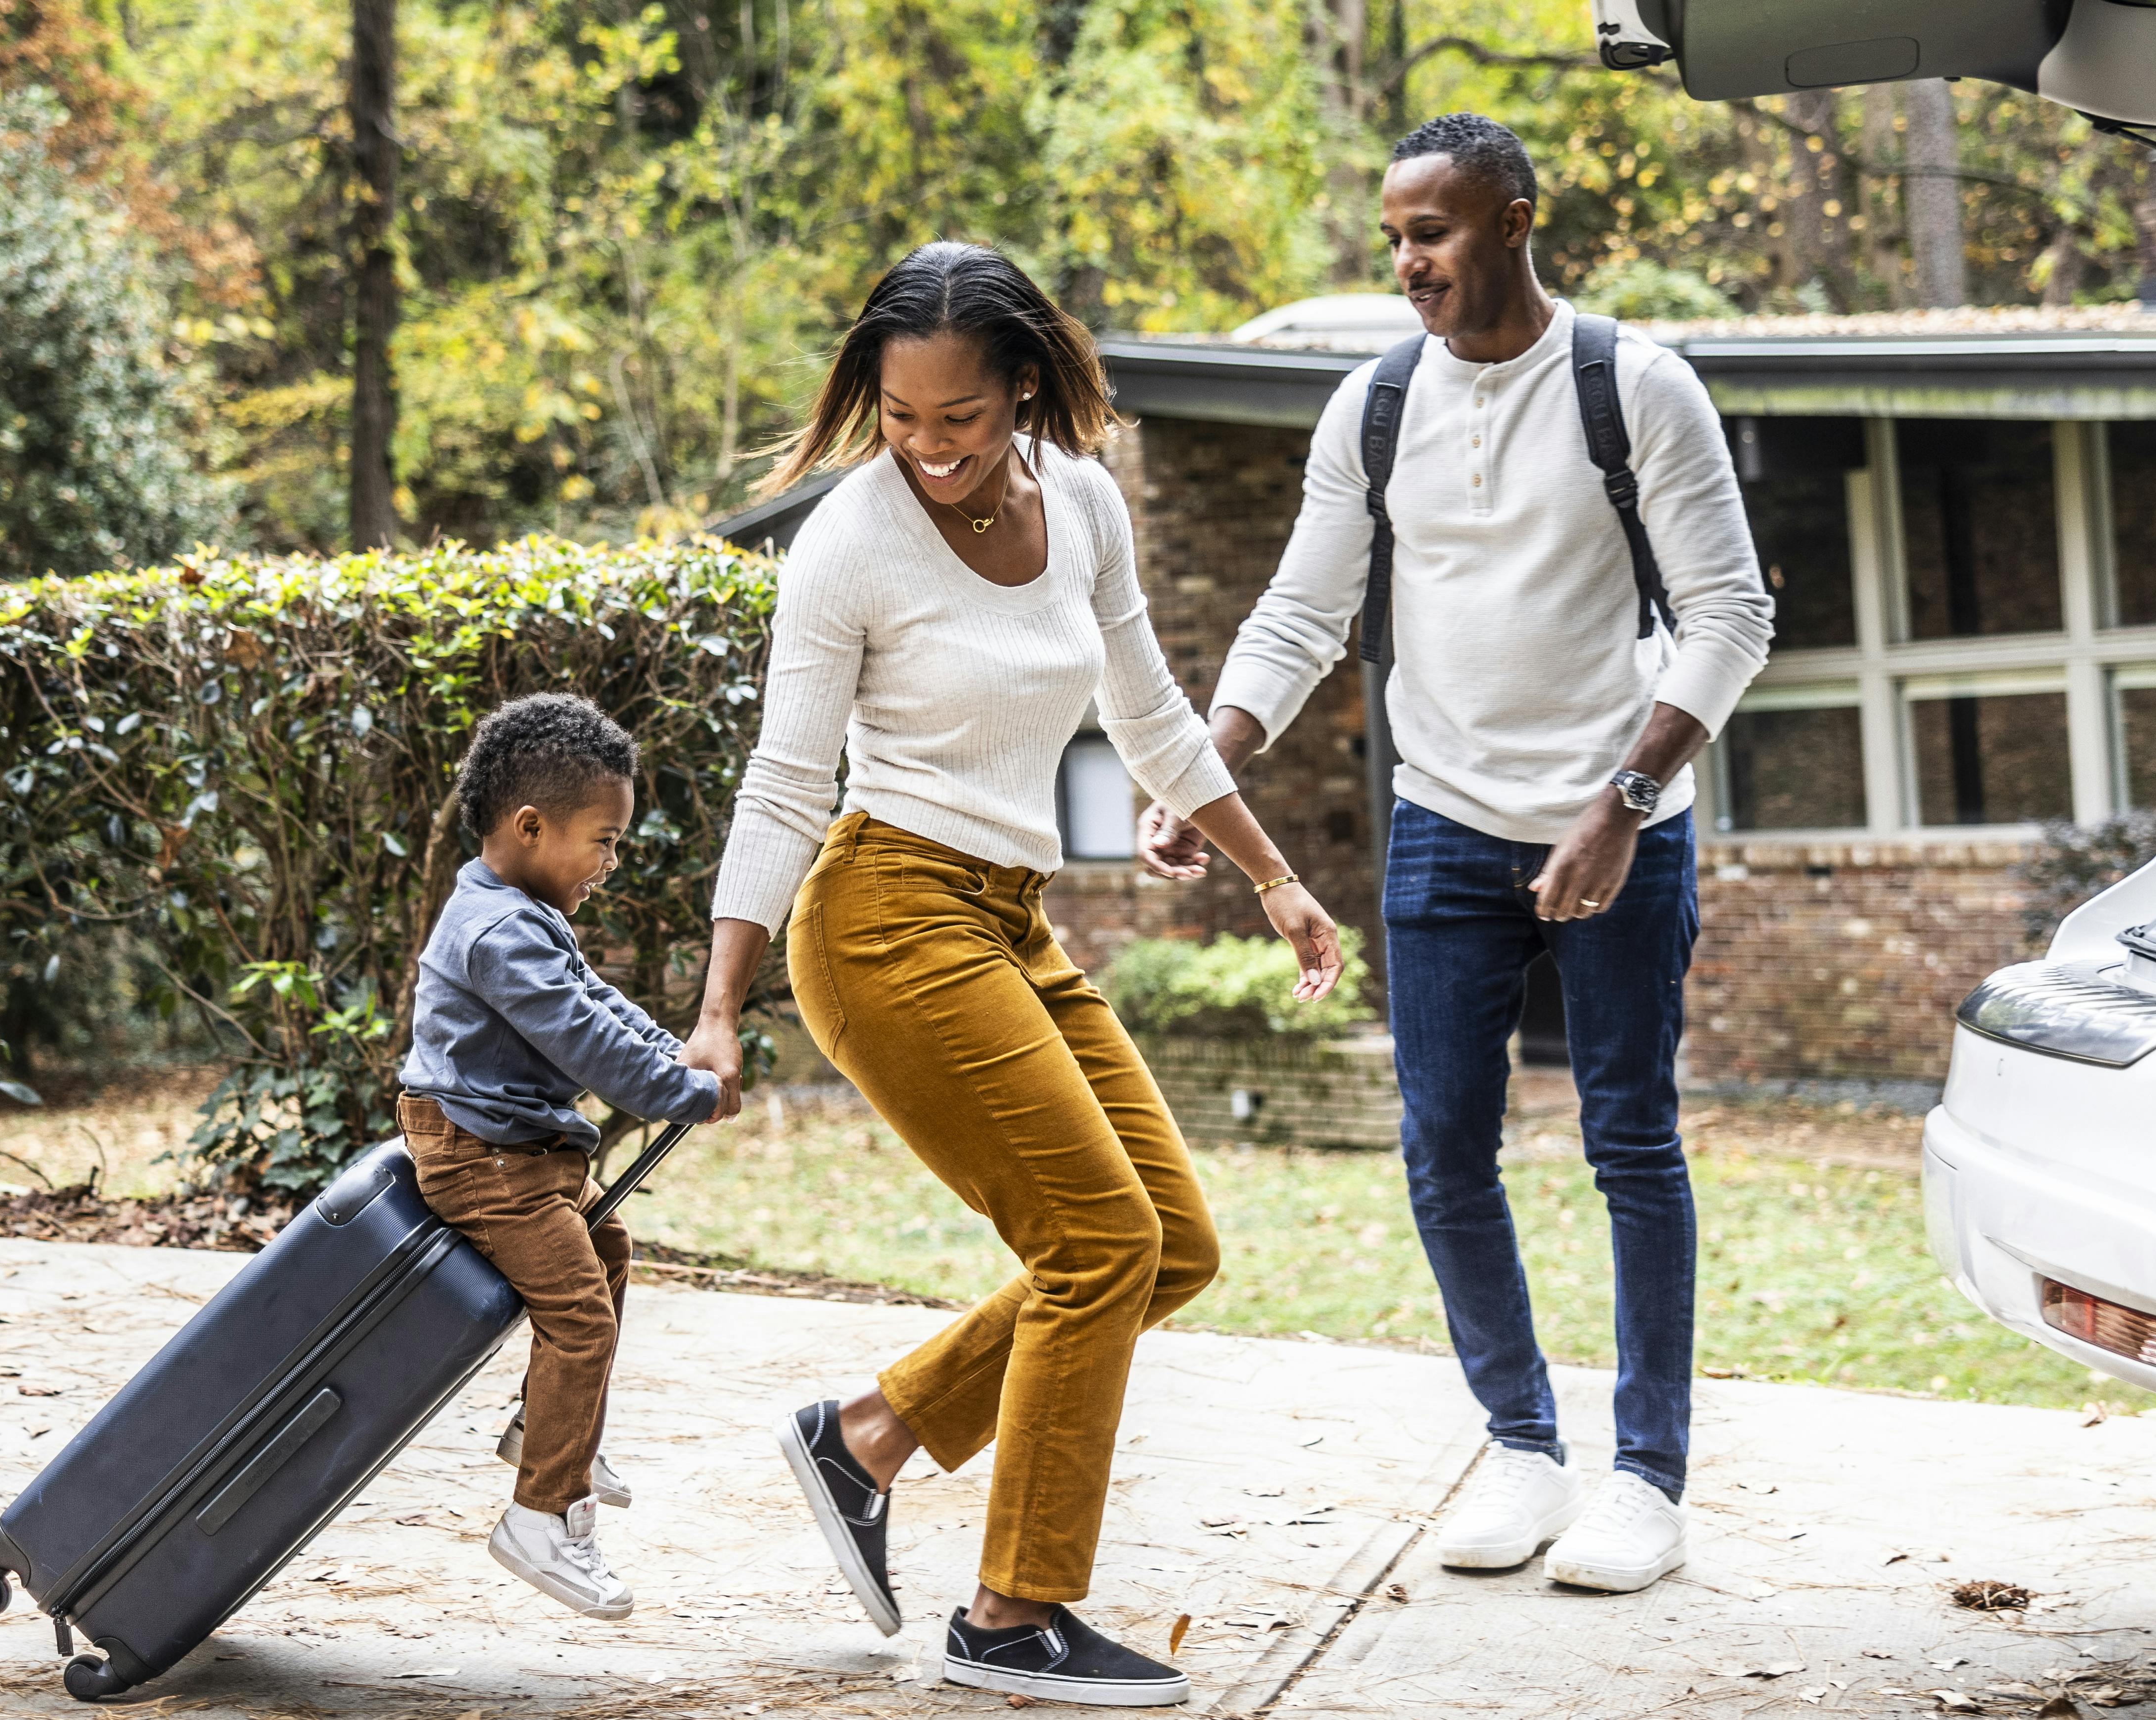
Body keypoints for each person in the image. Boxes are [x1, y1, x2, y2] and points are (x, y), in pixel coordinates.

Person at [676, 241, 1343, 1708]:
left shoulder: (1087, 501)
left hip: (1004, 916)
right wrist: (719, 1012)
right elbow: (786, 786)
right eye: (902, 418)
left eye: (960, 418)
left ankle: (867, 1434)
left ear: (1023, 384)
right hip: (880, 919)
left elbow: (1151, 710)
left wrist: (1274, 875)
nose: (928, 447)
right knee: (1098, 1246)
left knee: (1172, 1243)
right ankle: (1011, 1617)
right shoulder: (850, 541)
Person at [1143, 113, 1775, 1593]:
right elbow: (1300, 620)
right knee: (1442, 1148)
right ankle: (1521, 1446)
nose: (1408, 263)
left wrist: (1621, 800)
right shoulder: (1371, 410)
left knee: (1630, 1140)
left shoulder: (1636, 387)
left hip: (1622, 820)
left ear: (1513, 217)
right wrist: (1201, 765)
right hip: (1441, 823)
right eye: (1394, 240)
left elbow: (1732, 617)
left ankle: (1650, 1479)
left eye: (1431, 232)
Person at [395, 693, 740, 1620]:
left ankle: (549, 1434)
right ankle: (541, 1514)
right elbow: (582, 1042)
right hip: (483, 1160)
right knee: (580, 1317)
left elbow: (596, 1002)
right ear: (532, 825)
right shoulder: (502, 931)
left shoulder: (515, 910)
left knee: (608, 1250)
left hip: (517, 1152)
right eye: (605, 839)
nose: (612, 862)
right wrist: (685, 1092)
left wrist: (675, 1051)